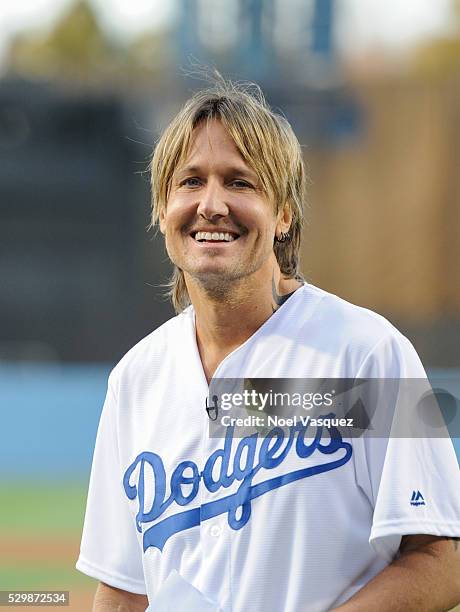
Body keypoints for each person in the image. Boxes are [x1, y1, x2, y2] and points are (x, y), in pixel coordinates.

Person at [77, 77, 460, 611]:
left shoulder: (370, 355)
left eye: (239, 182)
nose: (211, 204)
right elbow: (121, 590)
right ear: (162, 210)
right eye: (190, 182)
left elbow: (442, 557)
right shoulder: (136, 379)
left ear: (283, 214)